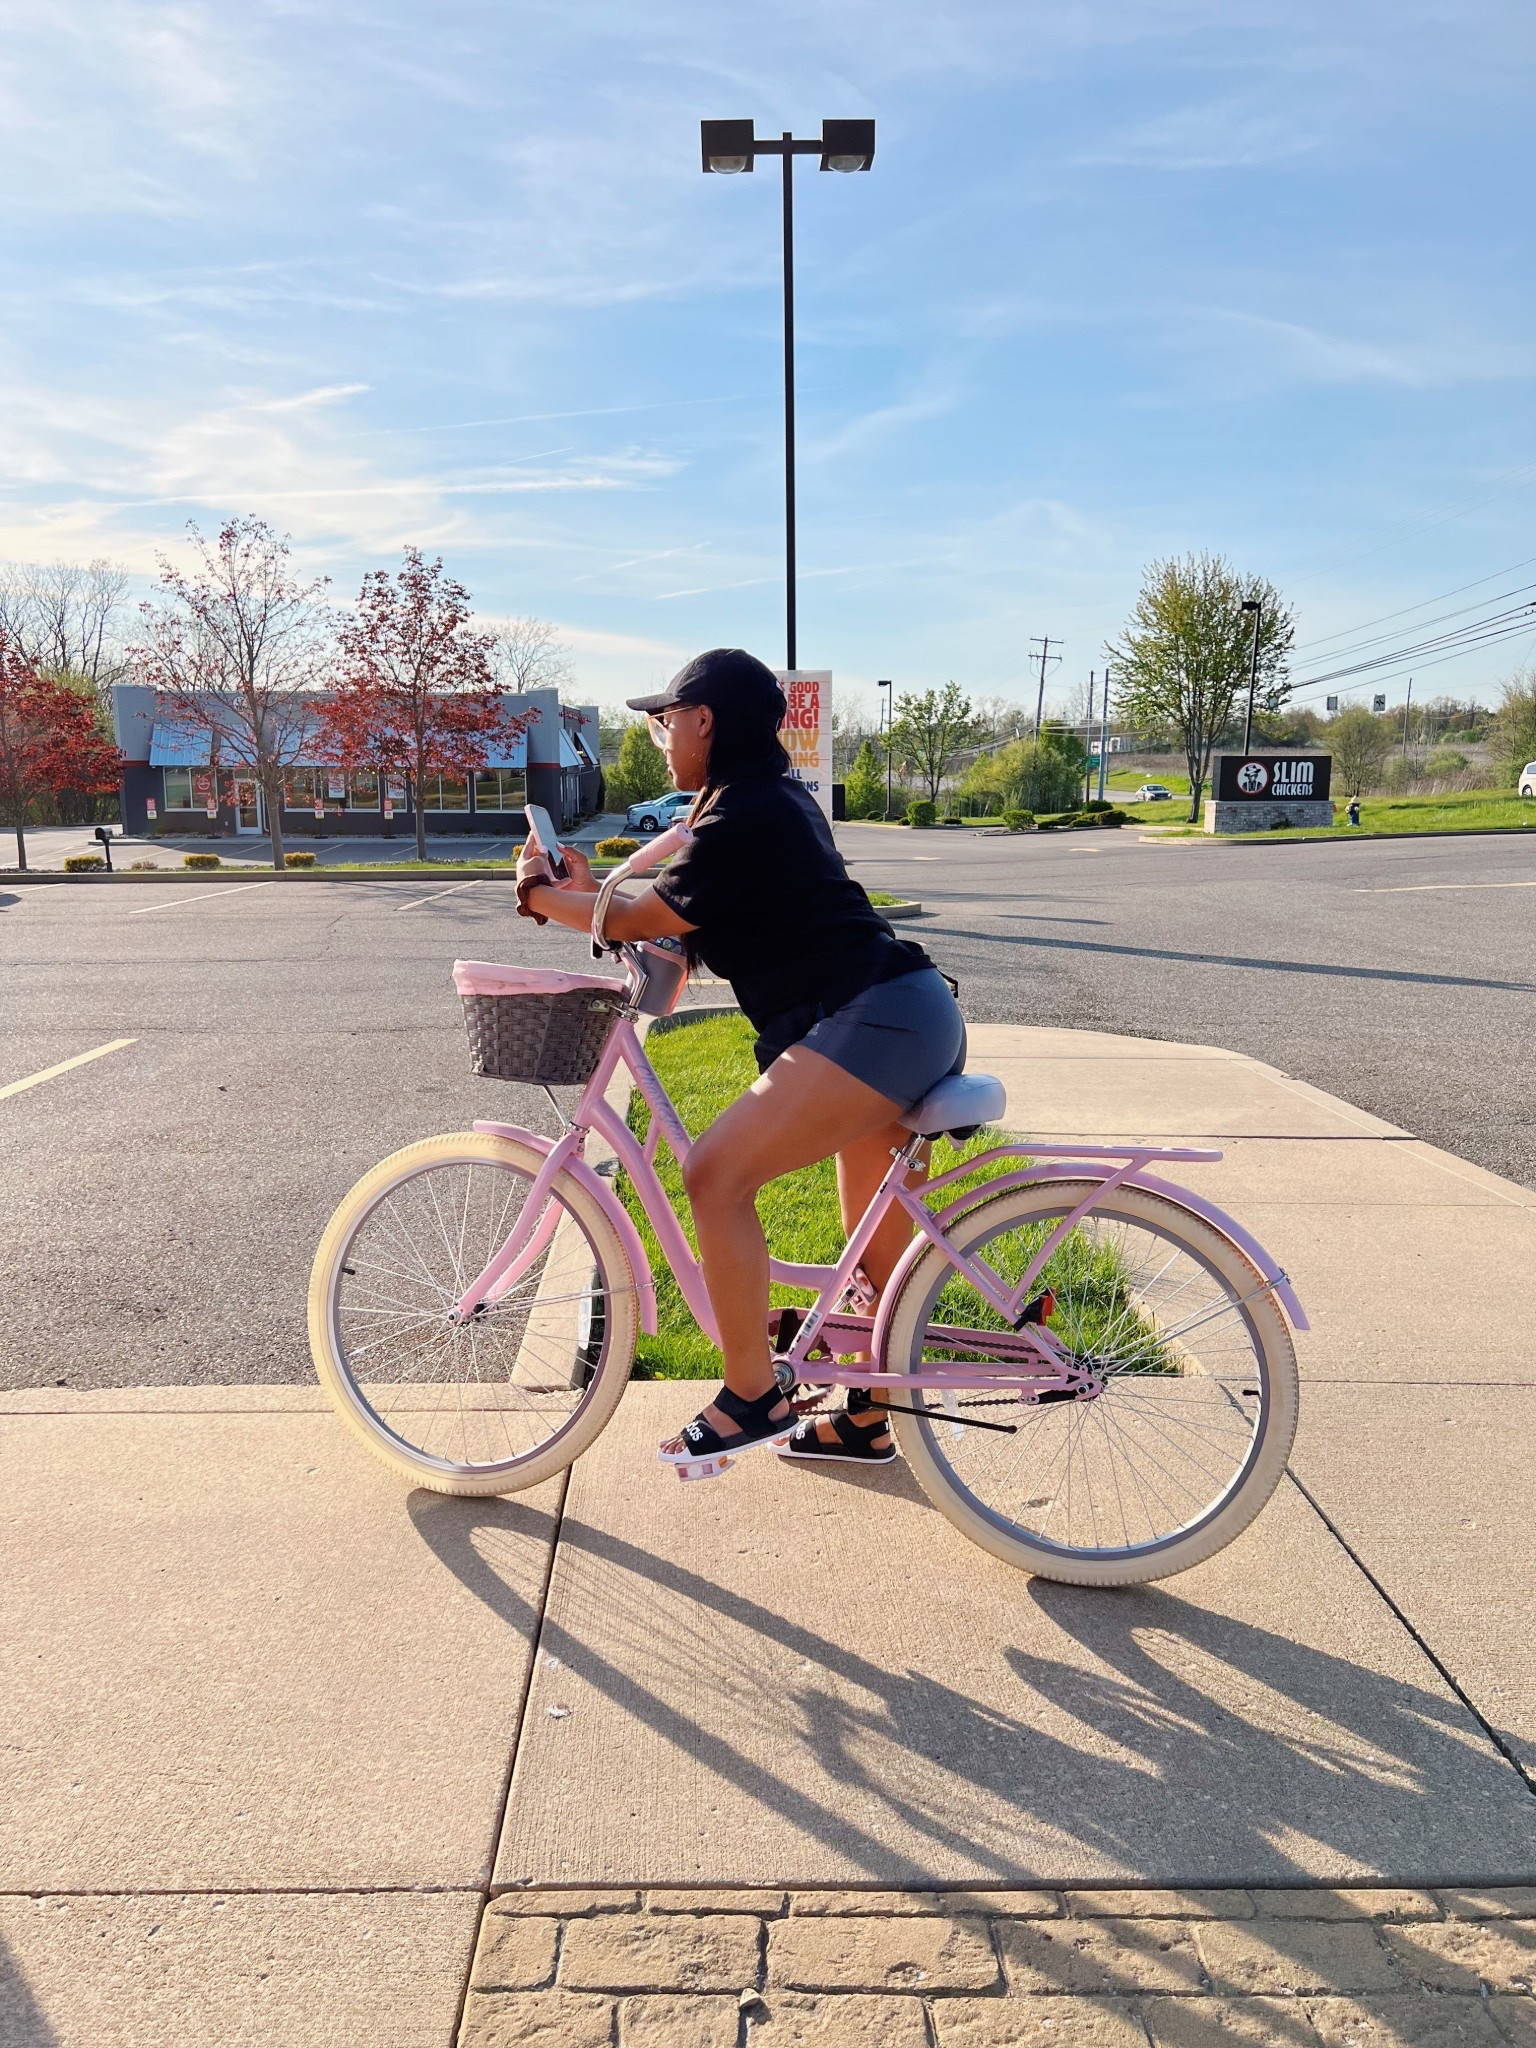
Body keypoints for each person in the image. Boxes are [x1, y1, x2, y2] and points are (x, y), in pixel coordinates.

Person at [514, 647, 967, 1475]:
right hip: (902, 1011)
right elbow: (673, 937)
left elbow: (650, 909)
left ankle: (752, 1396)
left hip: (877, 1020)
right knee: (873, 1254)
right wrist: (596, 902)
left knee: (714, 1176)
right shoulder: (758, 804)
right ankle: (870, 1415)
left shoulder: (743, 812)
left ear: (705, 721)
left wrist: (543, 895)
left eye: (664, 720)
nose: (657, 736)